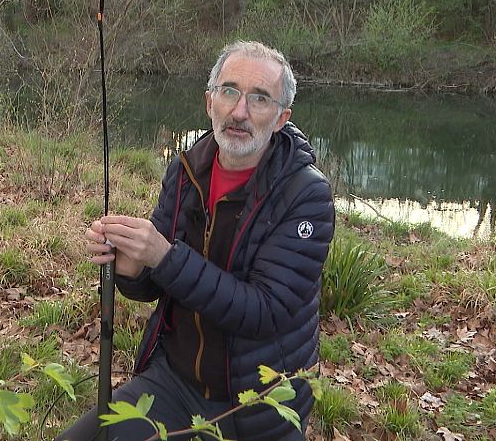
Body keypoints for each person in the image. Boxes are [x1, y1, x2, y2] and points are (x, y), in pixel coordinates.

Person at [59, 41, 335, 441]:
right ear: (210, 103)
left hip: (256, 407)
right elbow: (157, 280)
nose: (239, 112)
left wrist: (163, 256)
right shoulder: (187, 168)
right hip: (175, 382)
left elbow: (265, 313)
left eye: (259, 99)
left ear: (280, 118)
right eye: (229, 92)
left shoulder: (305, 195)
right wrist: (133, 267)